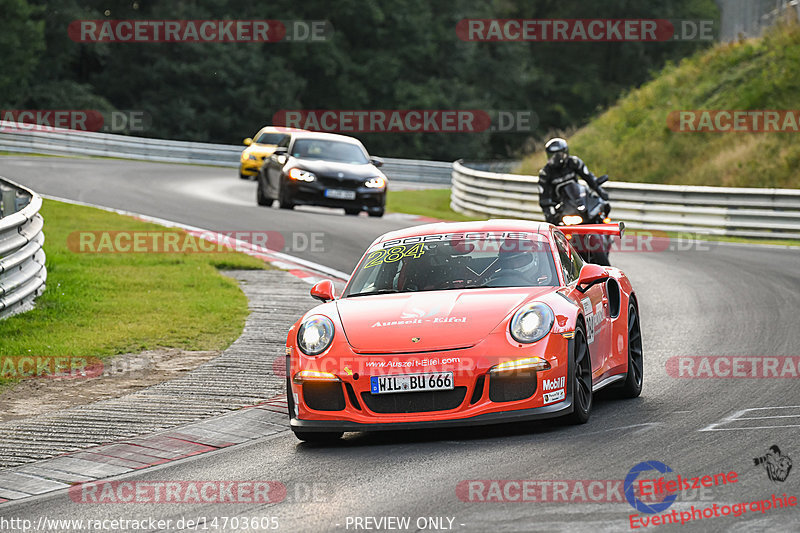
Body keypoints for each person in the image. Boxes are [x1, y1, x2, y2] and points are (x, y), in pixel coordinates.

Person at [538, 137, 608, 224]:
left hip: (578, 201)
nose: (555, 158)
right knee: (556, 226)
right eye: (552, 156)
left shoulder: (574, 162)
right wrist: (550, 214)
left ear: (565, 153)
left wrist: (599, 190)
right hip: (561, 207)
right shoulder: (545, 173)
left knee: (603, 208)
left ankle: (606, 233)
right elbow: (544, 197)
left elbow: (588, 177)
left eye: (558, 155)